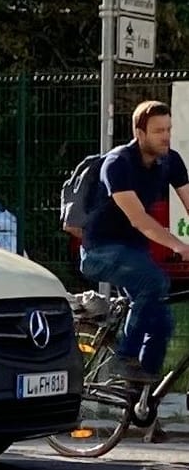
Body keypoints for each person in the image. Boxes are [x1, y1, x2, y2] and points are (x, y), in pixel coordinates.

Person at [81, 100, 189, 383]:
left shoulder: (170, 161)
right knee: (154, 282)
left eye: (168, 129)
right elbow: (138, 219)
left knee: (162, 322)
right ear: (139, 133)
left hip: (133, 253)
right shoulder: (118, 163)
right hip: (101, 250)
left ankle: (139, 397)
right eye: (157, 131)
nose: (165, 136)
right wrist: (178, 245)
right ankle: (123, 360)